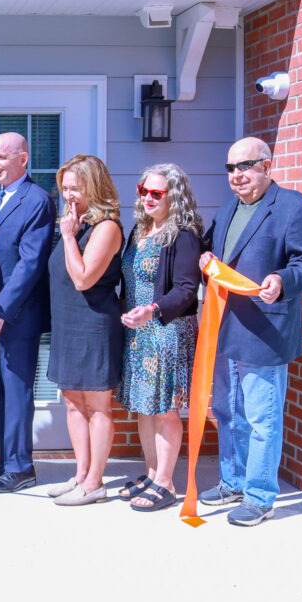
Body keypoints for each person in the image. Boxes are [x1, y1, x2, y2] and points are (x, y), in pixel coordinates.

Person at [198, 136, 302, 526]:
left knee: (261, 418)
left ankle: (259, 496)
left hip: (265, 332)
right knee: (228, 412)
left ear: (267, 166)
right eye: (231, 168)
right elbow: (215, 252)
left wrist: (282, 280)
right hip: (226, 327)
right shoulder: (227, 209)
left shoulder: (292, 207)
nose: (236, 176)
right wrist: (205, 255)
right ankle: (233, 481)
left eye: (245, 166)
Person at [118, 164, 203, 511]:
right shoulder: (140, 231)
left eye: (157, 193)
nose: (148, 198)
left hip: (167, 330)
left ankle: (166, 482)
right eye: (144, 191)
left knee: (166, 409)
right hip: (139, 331)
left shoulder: (182, 234)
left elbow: (186, 289)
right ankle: (152, 474)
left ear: (174, 196)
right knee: (144, 405)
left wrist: (152, 309)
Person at [0, 133, 56, 493]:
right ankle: (7, 463)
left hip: (16, 314)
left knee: (17, 389)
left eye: (1, 157)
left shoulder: (36, 200)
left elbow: (30, 264)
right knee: (4, 391)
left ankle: (22, 467)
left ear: (22, 159)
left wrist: (1, 311)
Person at [46, 154, 124, 506]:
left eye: (75, 188)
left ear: (94, 187)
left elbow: (82, 278)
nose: (68, 195)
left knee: (96, 406)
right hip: (67, 322)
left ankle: (95, 482)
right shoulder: (76, 224)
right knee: (73, 402)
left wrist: (67, 236)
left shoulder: (106, 227)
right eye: (64, 188)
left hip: (94, 324)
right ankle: (80, 474)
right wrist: (70, 231)